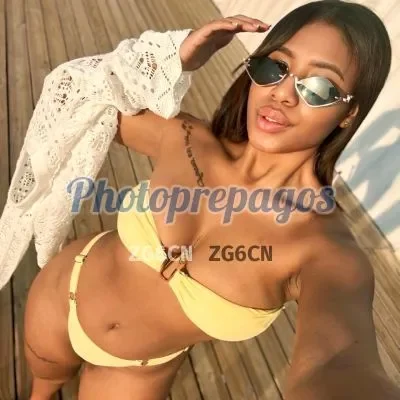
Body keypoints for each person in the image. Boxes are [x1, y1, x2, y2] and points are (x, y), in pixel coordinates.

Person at [3, 0, 399, 399]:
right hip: (61, 294)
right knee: (41, 389)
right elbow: (75, 91)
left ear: (350, 113)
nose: (282, 93)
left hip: (136, 372)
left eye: (319, 88)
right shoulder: (187, 138)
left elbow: (337, 363)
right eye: (275, 67)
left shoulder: (326, 251)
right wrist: (172, 56)